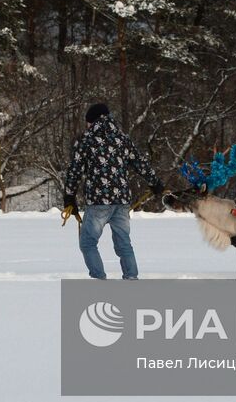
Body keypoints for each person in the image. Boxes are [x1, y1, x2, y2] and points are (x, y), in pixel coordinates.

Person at [62, 102, 163, 280]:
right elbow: (140, 163)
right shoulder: (122, 139)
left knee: (87, 243)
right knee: (124, 244)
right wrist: (155, 183)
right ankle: (131, 278)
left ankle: (99, 280)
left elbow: (75, 171)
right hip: (122, 202)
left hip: (99, 202)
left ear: (92, 121)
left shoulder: (86, 140)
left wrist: (69, 197)